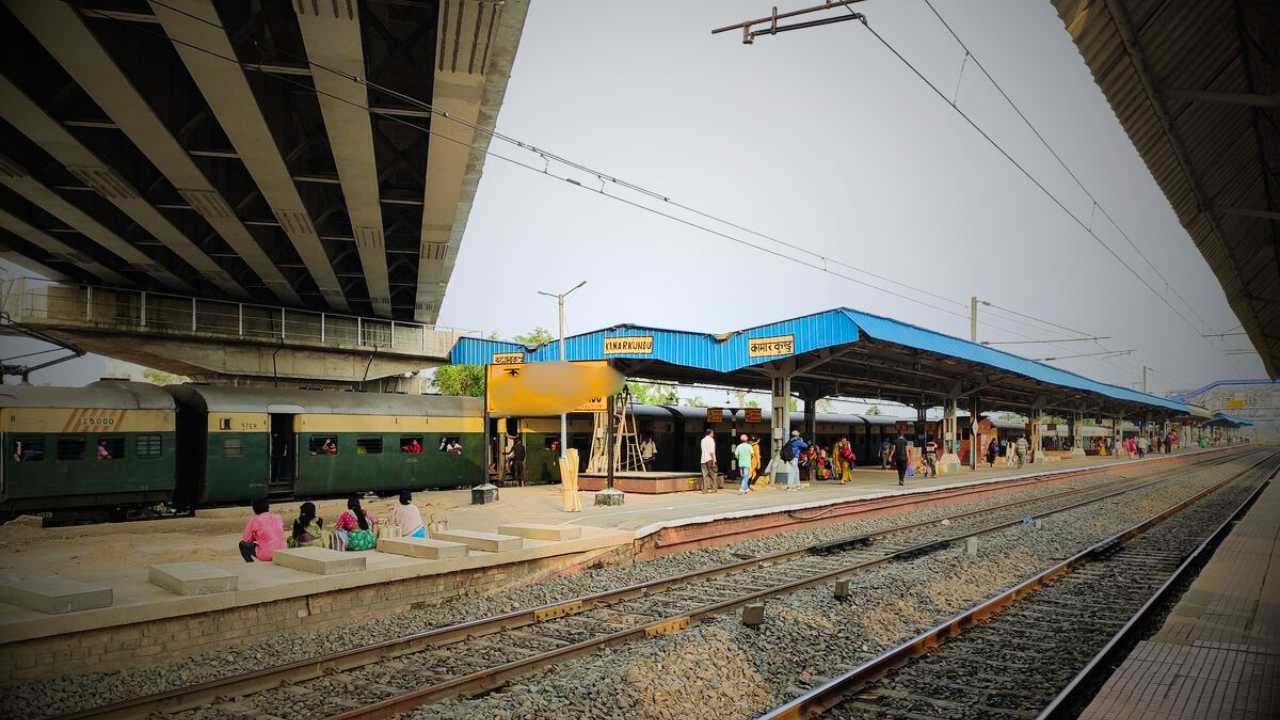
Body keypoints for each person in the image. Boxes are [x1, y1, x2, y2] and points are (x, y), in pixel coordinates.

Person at [239, 498, 285, 562]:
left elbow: (247, 539)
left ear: (254, 509)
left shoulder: (255, 520)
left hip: (267, 555)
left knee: (242, 544)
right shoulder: (278, 517)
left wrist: (256, 537)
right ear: (268, 507)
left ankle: (250, 563)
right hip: (283, 552)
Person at [699, 428, 718, 493]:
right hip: (710, 459)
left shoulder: (702, 440)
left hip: (703, 459)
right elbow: (711, 451)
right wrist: (713, 461)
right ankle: (714, 488)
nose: (713, 434)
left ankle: (705, 489)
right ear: (710, 433)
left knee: (704, 475)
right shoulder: (711, 440)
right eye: (712, 433)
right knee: (712, 474)